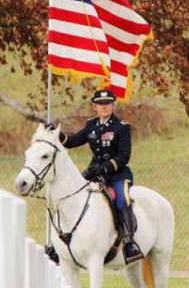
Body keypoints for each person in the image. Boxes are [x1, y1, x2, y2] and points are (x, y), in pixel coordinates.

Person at [58, 89, 144, 264]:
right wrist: (57, 135)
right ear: (94, 107)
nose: (104, 108)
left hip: (117, 175)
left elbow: (123, 156)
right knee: (73, 196)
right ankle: (61, 242)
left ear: (113, 105)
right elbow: (73, 141)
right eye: (100, 105)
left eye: (108, 104)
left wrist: (104, 168)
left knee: (122, 200)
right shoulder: (91, 126)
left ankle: (129, 242)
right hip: (94, 174)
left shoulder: (122, 127)